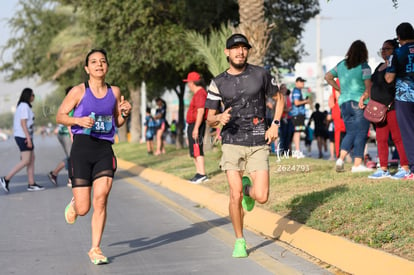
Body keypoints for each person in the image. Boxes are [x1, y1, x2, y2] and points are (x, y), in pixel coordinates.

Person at [205, 33, 283, 258]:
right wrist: (219, 118)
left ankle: (250, 190)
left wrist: (275, 124)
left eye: (243, 48)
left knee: (262, 196)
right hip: (231, 142)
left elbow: (280, 98)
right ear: (227, 52)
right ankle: (240, 240)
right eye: (235, 48)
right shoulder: (218, 82)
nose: (240, 51)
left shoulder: (260, 74)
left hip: (259, 139)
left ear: (248, 51)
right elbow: (210, 117)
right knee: (234, 194)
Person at [55, 48, 132, 264]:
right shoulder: (79, 92)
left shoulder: (114, 92)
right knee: (84, 207)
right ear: (87, 68)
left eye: (103, 61)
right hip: (81, 150)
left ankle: (95, 248)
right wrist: (78, 121)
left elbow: (117, 122)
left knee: (101, 199)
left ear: (107, 66)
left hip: (104, 150)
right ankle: (75, 203)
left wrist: (124, 112)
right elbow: (60, 116)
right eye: (94, 62)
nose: (99, 65)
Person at [325, 40, 373, 173]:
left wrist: (338, 88)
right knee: (362, 133)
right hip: (359, 103)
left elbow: (327, 77)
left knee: (351, 132)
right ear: (364, 52)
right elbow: (368, 87)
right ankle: (357, 165)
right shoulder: (364, 67)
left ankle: (340, 159)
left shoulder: (341, 65)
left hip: (344, 103)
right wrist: (364, 97)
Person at [367, 39, 409, 179]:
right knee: (381, 139)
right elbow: (372, 84)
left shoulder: (396, 66)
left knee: (398, 138)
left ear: (395, 50)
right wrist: (364, 97)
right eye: (383, 49)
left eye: (388, 48)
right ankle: (383, 168)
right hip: (378, 110)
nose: (384, 51)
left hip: (392, 107)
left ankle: (405, 167)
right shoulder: (379, 66)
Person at [0, 88, 45, 193]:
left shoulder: (24, 106)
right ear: (28, 96)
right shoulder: (24, 106)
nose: (33, 97)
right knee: (26, 160)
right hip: (23, 136)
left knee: (31, 159)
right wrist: (28, 139)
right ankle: (6, 179)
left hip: (25, 135)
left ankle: (31, 183)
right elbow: (23, 123)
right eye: (32, 95)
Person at [385, 22, 414, 180]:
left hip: (405, 97)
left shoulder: (396, 54)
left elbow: (389, 78)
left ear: (399, 37)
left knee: (409, 133)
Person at [183, 71, 209, 183]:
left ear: (192, 83)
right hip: (193, 124)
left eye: (188, 82)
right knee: (194, 149)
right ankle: (199, 173)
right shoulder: (198, 93)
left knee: (197, 148)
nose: (188, 85)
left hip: (196, 124)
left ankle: (202, 173)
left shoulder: (200, 94)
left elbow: (200, 111)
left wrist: (196, 128)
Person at [48, 86, 74, 187]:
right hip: (66, 134)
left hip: (64, 133)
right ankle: (70, 179)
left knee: (71, 156)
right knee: (72, 156)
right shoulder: (69, 103)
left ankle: (54, 174)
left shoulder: (68, 102)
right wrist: (71, 134)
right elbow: (68, 120)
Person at [290, 77, 310, 159]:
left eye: (303, 82)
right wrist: (305, 101)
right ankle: (297, 151)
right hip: (297, 114)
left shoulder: (298, 91)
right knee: (297, 132)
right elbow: (296, 102)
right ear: (297, 82)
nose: (303, 83)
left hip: (298, 115)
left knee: (297, 132)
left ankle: (297, 151)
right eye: (301, 82)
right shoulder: (296, 91)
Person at [278, 84, 293, 155]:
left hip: (289, 118)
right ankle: (281, 151)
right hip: (282, 118)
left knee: (288, 136)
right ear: (281, 90)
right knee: (282, 136)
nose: (285, 90)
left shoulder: (287, 97)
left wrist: (288, 109)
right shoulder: (279, 97)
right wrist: (286, 110)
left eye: (286, 88)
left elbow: (290, 107)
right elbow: (279, 108)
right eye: (283, 88)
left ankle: (286, 151)